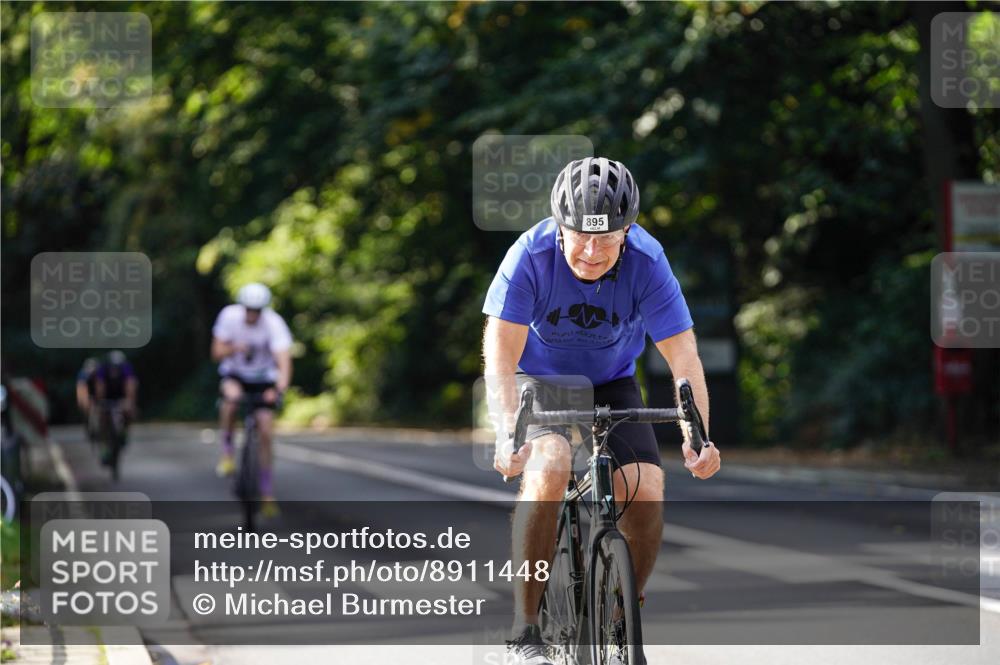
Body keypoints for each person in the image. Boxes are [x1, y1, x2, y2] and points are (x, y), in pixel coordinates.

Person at [484, 157, 722, 664]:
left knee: (647, 487)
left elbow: (683, 356)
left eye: (608, 239)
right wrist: (507, 433)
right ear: (559, 227)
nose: (592, 253)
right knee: (549, 468)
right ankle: (525, 631)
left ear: (627, 231)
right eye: (580, 237)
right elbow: (501, 356)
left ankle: (622, 613)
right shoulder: (528, 256)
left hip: (611, 381)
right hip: (538, 380)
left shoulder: (648, 261)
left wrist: (697, 434)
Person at [211, 283, 293, 518]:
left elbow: (284, 361)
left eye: (257, 310)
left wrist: (278, 389)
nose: (252, 314)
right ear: (242, 307)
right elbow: (216, 353)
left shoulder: (274, 323)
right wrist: (234, 348)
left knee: (265, 430)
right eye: (248, 309)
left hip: (263, 379)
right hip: (235, 375)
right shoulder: (229, 317)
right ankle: (227, 452)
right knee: (231, 400)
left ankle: (267, 492)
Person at [93, 350, 139, 465]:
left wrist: (130, 401)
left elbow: (130, 384)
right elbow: (100, 386)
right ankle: (104, 449)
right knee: (102, 418)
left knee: (128, 411)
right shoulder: (103, 369)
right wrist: (99, 401)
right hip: (107, 397)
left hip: (121, 396)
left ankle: (124, 432)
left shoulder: (126, 368)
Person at [75, 357, 100, 442]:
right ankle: (89, 429)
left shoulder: (100, 374)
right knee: (87, 412)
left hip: (97, 393)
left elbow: (102, 387)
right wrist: (82, 401)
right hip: (88, 393)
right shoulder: (83, 374)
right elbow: (81, 388)